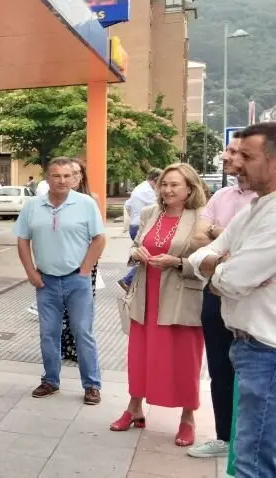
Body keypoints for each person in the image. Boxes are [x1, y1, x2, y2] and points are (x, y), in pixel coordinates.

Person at [188, 122, 276, 477]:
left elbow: (235, 279)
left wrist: (220, 270)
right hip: (250, 348)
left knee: (253, 462)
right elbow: (203, 255)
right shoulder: (255, 207)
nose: (235, 162)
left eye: (247, 156)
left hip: (266, 353)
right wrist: (217, 264)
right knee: (250, 452)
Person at [111, 163, 208, 448]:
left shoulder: (200, 218)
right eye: (164, 184)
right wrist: (136, 252)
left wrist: (179, 262)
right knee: (140, 356)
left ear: (190, 188)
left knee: (184, 359)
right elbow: (134, 247)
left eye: (174, 184)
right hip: (145, 295)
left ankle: (188, 418)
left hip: (180, 297)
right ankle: (134, 409)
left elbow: (210, 262)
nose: (166, 189)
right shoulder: (149, 213)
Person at [185, 131, 255, 460]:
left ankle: (252, 442)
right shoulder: (221, 197)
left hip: (254, 301)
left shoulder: (265, 205)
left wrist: (219, 238)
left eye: (236, 152)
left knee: (255, 372)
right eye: (227, 150)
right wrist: (225, 243)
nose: (227, 157)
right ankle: (224, 436)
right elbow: (199, 240)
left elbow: (225, 246)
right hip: (215, 293)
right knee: (219, 368)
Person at [14, 157, 104, 404]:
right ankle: (50, 380)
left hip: (77, 279)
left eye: (67, 176)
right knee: (48, 333)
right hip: (46, 281)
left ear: (74, 178)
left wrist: (85, 270)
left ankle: (92, 385)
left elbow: (99, 239)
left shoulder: (85, 203)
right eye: (56, 176)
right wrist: (31, 272)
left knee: (83, 332)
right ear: (47, 177)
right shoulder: (33, 205)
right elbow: (22, 239)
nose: (62, 180)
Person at [59, 159, 101, 363]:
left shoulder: (91, 200)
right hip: (61, 259)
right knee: (61, 306)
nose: (72, 177)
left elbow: (98, 234)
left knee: (82, 306)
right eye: (69, 173)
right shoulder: (55, 200)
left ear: (82, 176)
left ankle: (77, 347)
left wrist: (91, 262)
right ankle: (62, 345)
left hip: (85, 260)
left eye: (76, 173)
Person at [118, 169, 163, 289]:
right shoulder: (148, 192)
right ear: (155, 180)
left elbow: (127, 205)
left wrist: (134, 216)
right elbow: (159, 206)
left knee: (146, 255)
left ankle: (131, 280)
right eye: (161, 182)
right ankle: (128, 280)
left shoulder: (140, 188)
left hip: (135, 225)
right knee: (149, 256)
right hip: (142, 226)